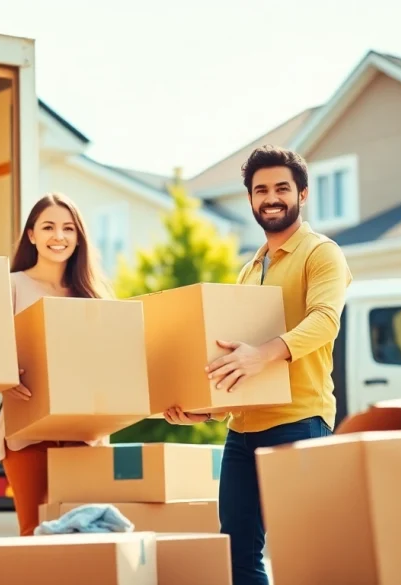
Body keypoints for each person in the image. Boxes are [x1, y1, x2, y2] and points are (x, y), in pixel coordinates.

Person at [162, 145, 352, 585]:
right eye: (260, 189)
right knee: (238, 555)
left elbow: (325, 321)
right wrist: (205, 410)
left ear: (302, 195)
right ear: (249, 200)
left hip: (299, 422)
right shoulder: (249, 270)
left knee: (303, 554)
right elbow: (238, 362)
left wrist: (261, 353)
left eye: (282, 188)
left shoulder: (321, 254)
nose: (271, 197)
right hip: (242, 433)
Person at [0, 192, 114, 536]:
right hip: (26, 427)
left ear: (79, 237)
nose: (58, 236)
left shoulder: (93, 293)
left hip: (84, 431)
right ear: (31, 234)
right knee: (34, 531)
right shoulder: (11, 284)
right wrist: (2, 376)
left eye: (68, 228)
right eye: (48, 227)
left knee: (87, 531)